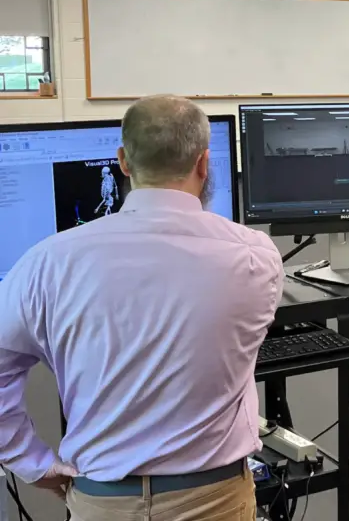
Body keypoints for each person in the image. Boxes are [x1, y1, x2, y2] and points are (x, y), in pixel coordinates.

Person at [0, 95, 285, 518]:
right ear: (204, 163)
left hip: (101, 499)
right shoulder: (256, 257)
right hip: (215, 498)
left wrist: (31, 465)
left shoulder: (45, 263)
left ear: (124, 163)